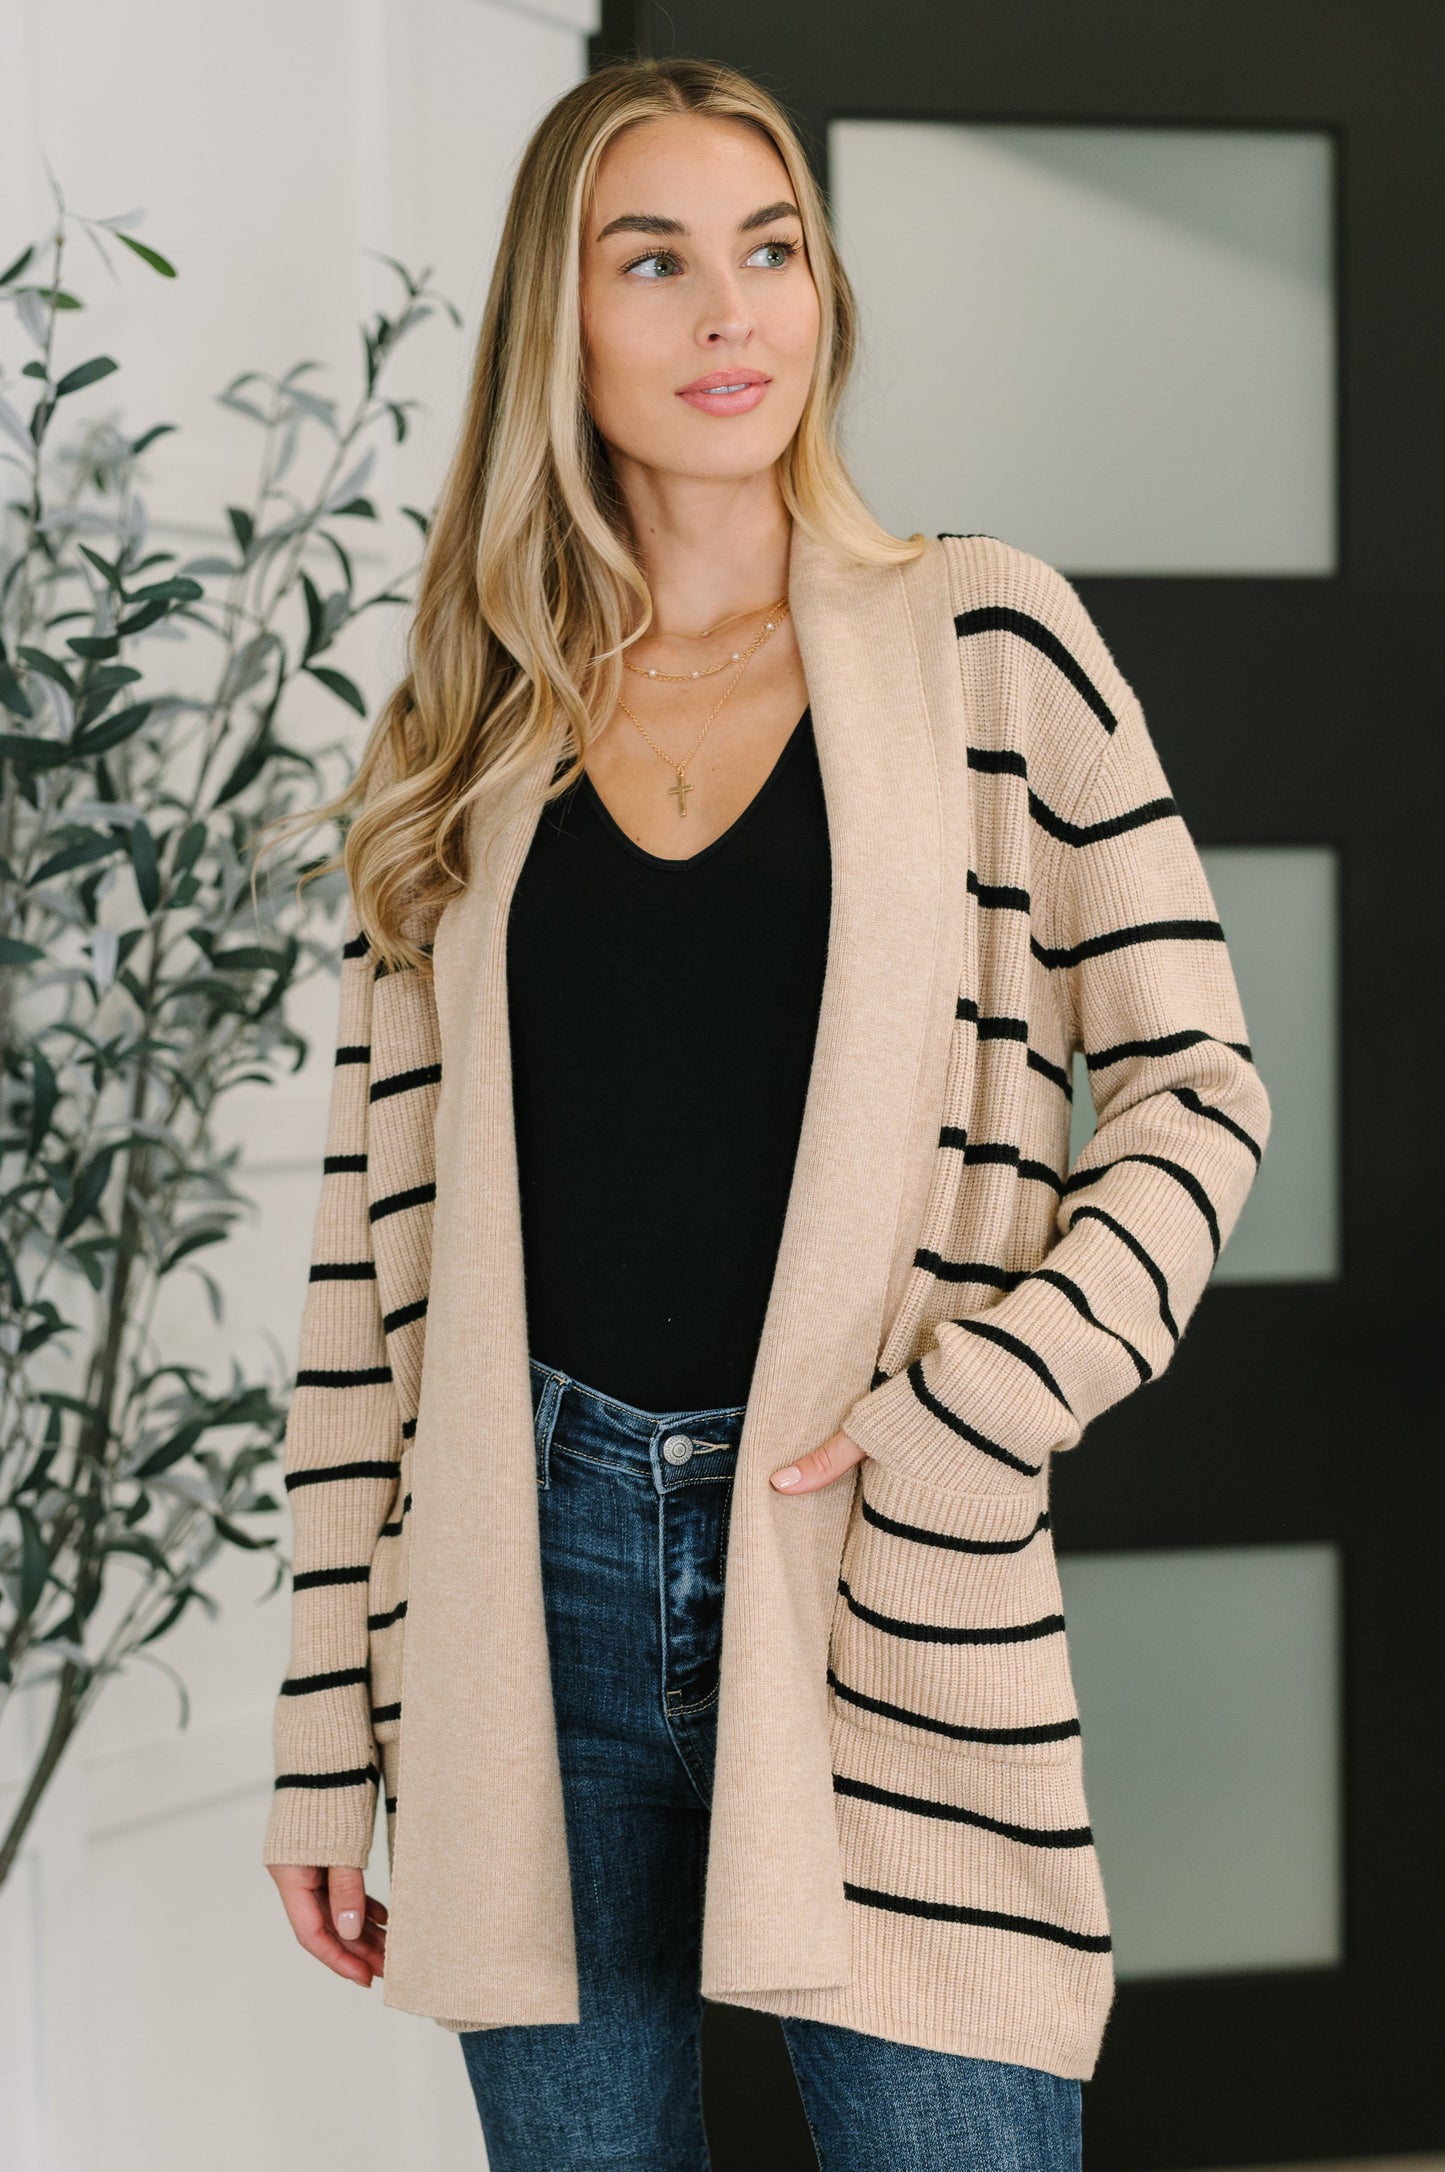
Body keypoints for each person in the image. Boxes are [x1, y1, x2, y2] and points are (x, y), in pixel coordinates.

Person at [258, 53, 1270, 2172]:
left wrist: (989, 1403)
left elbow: (1193, 1084)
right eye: (659, 262)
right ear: (565, 319)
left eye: (773, 251)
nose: (735, 315)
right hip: (519, 1597)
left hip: (881, 1548)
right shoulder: (468, 726)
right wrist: (317, 1748)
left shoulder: (991, 642)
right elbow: (368, 1275)